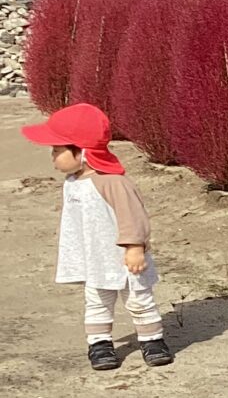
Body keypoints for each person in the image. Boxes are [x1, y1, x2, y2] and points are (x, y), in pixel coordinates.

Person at [21, 102, 172, 370]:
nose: (52, 156)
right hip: (95, 258)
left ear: (82, 152)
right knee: (97, 301)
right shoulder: (73, 183)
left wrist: (134, 246)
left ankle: (152, 339)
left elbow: (132, 215)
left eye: (57, 150)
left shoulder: (113, 182)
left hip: (124, 259)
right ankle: (99, 343)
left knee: (138, 299)